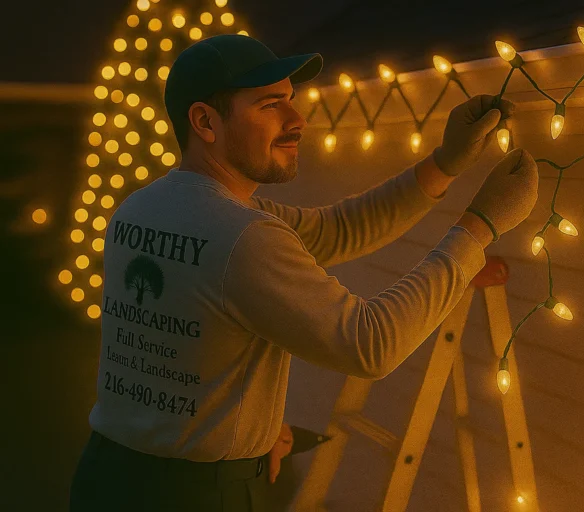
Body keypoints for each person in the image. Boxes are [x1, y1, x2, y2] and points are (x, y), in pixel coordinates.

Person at [70, 34, 537, 511]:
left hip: (111, 474)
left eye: (291, 101)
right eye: (271, 106)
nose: (298, 120)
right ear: (205, 122)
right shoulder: (243, 236)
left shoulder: (139, 210)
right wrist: (479, 226)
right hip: (195, 495)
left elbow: (338, 229)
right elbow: (370, 343)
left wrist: (446, 163)